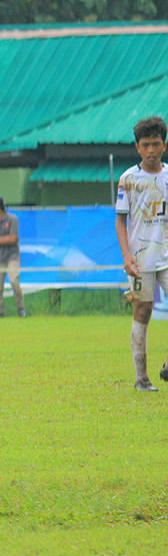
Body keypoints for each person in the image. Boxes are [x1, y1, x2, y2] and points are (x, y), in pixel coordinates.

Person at [115, 116, 168, 393]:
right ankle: (141, 377)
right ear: (137, 147)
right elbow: (121, 220)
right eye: (145, 145)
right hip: (139, 258)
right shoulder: (128, 179)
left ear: (164, 144)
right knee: (143, 312)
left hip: (167, 255)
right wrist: (126, 255)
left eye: (155, 144)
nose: (151, 150)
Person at [0, 195, 25, 318]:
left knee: (14, 281)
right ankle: (0, 312)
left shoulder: (13, 219)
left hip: (12, 256)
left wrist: (5, 239)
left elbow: (13, 239)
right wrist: (8, 239)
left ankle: (21, 309)